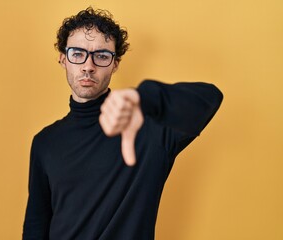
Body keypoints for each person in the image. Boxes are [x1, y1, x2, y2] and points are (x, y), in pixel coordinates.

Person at [22, 7, 223, 240]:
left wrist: (144, 98)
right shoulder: (45, 142)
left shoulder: (149, 129)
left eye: (101, 56)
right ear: (62, 59)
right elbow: (36, 226)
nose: (88, 66)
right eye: (77, 54)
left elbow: (210, 98)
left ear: (115, 64)